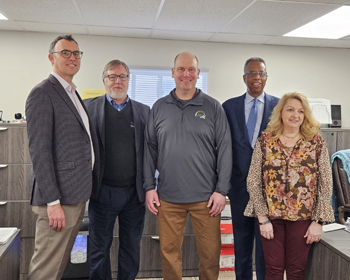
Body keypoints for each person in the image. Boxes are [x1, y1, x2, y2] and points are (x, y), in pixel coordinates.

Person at [144, 52, 232, 280]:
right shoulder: (159, 107)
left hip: (206, 199)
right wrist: (149, 186)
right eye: (181, 69)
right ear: (172, 73)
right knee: (169, 253)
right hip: (169, 197)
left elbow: (224, 150)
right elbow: (149, 150)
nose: (186, 74)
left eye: (191, 69)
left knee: (211, 254)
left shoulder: (213, 107)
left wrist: (222, 190)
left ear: (198, 73)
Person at [25, 35, 95, 280]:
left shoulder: (72, 93)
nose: (72, 58)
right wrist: (53, 202)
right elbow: (40, 151)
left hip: (74, 196)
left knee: (59, 267)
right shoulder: (43, 93)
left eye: (76, 53)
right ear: (51, 57)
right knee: (45, 269)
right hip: (56, 201)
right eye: (65, 52)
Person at [244, 92, 335, 280]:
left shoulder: (316, 142)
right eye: (291, 109)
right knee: (274, 270)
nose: (295, 115)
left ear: (305, 115)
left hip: (303, 217)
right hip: (271, 217)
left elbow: (325, 183)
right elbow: (253, 181)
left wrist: (318, 222)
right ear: (281, 113)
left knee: (296, 271)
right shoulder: (266, 141)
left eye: (301, 111)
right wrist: (262, 218)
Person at [84, 59, 150, 280]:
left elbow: (151, 152)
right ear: (104, 80)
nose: (118, 81)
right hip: (102, 192)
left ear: (129, 80)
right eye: (112, 76)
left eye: (122, 76)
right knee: (98, 250)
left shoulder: (144, 112)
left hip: (135, 194)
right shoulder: (88, 108)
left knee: (131, 249)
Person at [222, 57, 279, 280]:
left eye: (261, 73)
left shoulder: (278, 106)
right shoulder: (229, 107)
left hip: (269, 190)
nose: (257, 78)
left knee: (266, 245)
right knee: (242, 243)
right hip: (239, 189)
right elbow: (223, 147)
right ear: (244, 77)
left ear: (266, 77)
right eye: (252, 73)